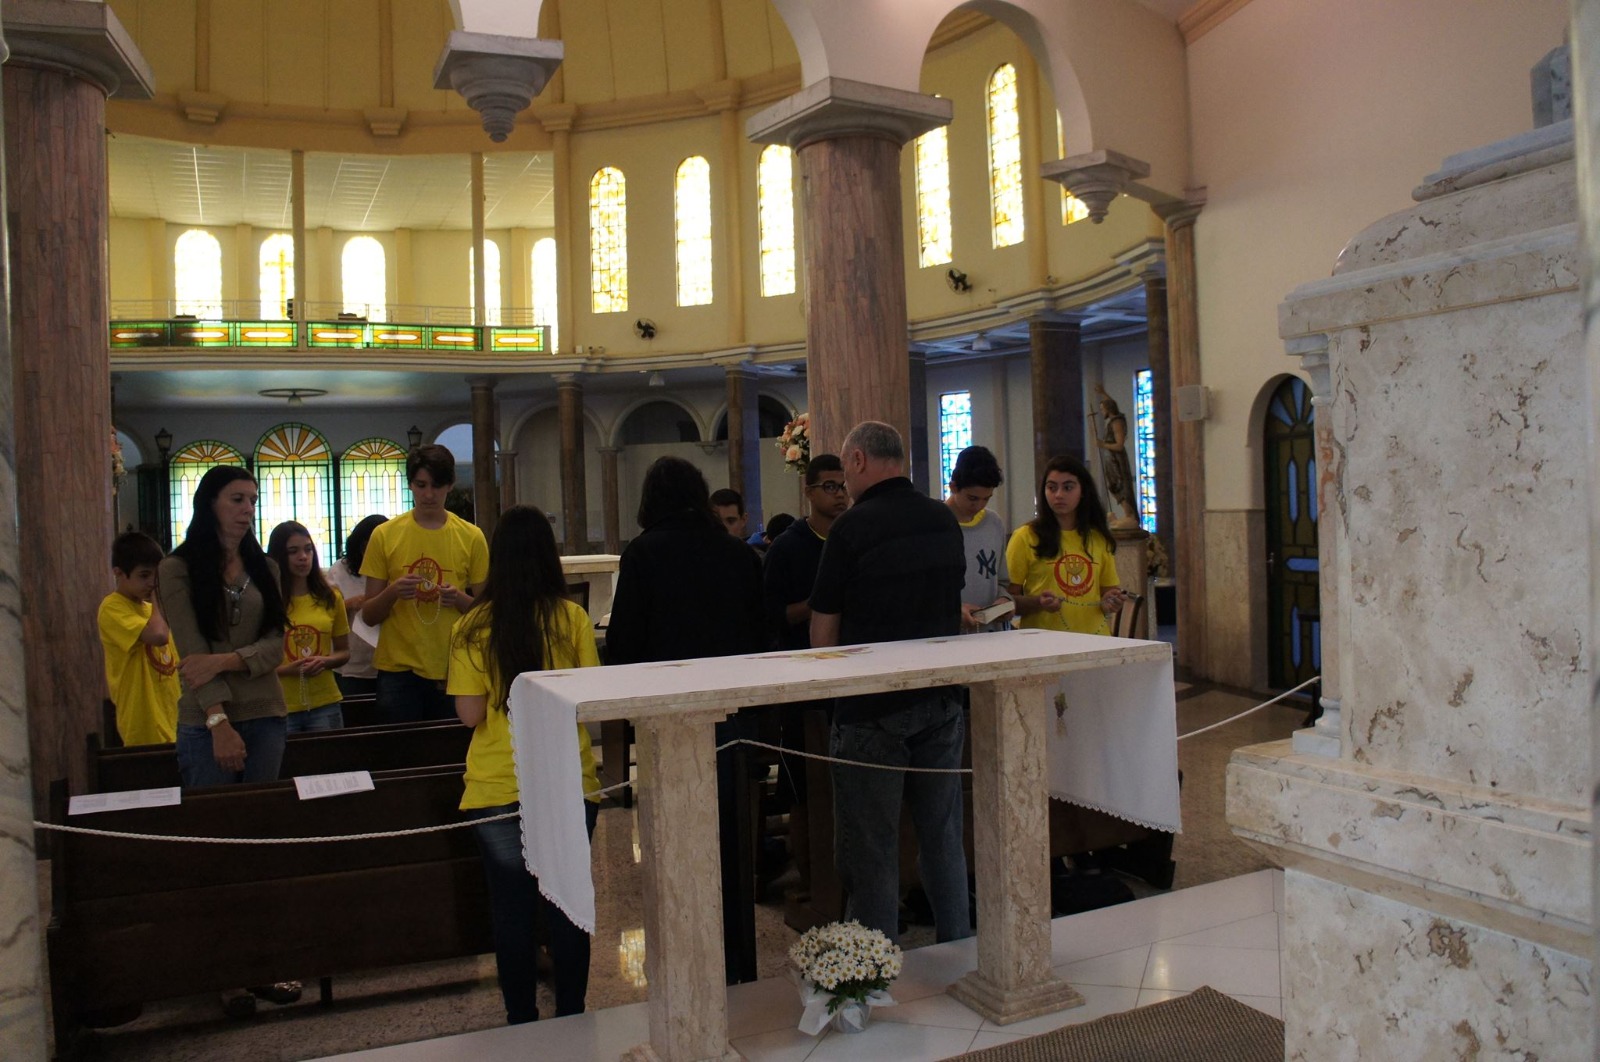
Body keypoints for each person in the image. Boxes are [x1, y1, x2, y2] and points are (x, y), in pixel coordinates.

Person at [809, 421, 971, 944]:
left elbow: (823, 635)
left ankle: (874, 969)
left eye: (844, 469)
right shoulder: (943, 519)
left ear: (858, 460)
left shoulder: (850, 529)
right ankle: (957, 949)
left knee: (872, 850)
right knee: (943, 838)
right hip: (942, 700)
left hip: (871, 709)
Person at [606, 456, 765, 983]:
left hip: (668, 720)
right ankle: (737, 964)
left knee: (675, 845)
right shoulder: (737, 554)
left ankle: (685, 966)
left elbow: (624, 646)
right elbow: (760, 638)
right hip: (731, 716)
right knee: (731, 842)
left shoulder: (643, 553)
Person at [448, 506, 602, 1024]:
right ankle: (572, 1014)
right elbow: (590, 705)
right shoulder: (570, 618)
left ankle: (520, 1019)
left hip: (497, 782)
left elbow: (470, 715)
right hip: (565, 780)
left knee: (511, 910)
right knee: (567, 904)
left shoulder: (471, 626)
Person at [156, 465, 300, 1018]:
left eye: (252, 500)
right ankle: (225, 974)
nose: (247, 509)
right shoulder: (177, 568)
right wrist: (218, 721)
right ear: (210, 503)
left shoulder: (265, 566)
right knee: (216, 846)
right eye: (237, 499)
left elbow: (276, 645)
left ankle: (261, 962)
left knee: (258, 843)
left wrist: (226, 660)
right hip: (206, 721)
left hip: (266, 716)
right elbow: (190, 651)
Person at [360, 445, 489, 722]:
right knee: (400, 746)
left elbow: (487, 613)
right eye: (421, 485)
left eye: (437, 485)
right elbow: (368, 615)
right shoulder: (384, 535)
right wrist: (393, 591)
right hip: (398, 670)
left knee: (449, 745)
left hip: (453, 666)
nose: (429, 494)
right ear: (410, 485)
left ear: (450, 485)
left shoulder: (471, 537)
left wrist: (459, 599)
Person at [1006, 454, 1125, 636]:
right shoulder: (1025, 536)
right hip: (1043, 640)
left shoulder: (1098, 538)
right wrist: (1039, 603)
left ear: (1082, 491)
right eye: (1052, 488)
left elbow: (1108, 594)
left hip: (1094, 639)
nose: (1059, 495)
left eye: (1068, 487)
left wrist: (1111, 602)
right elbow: (1007, 601)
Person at [267, 521, 351, 732]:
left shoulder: (331, 597)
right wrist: (288, 670)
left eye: (308, 549)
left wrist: (325, 661)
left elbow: (344, 652)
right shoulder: (267, 602)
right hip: (281, 704)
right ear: (279, 556)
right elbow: (257, 664)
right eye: (293, 551)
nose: (303, 557)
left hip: (325, 702)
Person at [98, 530, 180, 746]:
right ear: (118, 573)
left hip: (174, 721)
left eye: (156, 575)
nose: (152, 582)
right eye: (144, 576)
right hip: (144, 725)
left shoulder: (151, 611)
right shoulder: (112, 608)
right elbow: (158, 636)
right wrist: (158, 597)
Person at [762, 456, 846, 652]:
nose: (840, 494)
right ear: (809, 492)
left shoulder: (854, 539)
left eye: (844, 486)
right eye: (830, 487)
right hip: (800, 653)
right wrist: (821, 602)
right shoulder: (785, 547)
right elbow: (770, 615)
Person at [945, 446, 1014, 633]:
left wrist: (1004, 600)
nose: (979, 506)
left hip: (989, 633)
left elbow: (1001, 582)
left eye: (986, 499)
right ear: (953, 487)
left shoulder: (994, 523)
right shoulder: (935, 524)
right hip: (950, 635)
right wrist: (953, 609)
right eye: (973, 498)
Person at [327, 514, 386, 706]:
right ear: (361, 544)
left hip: (386, 661)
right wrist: (352, 603)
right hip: (352, 661)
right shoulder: (340, 570)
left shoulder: (392, 567)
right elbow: (325, 612)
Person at [1092, 388, 1139, 528]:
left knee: (1120, 486)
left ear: (1108, 409)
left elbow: (1119, 445)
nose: (1102, 412)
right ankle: (1128, 514)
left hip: (1116, 461)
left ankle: (1130, 515)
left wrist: (1102, 444)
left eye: (1103, 409)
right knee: (1113, 486)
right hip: (1111, 460)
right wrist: (1103, 393)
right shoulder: (1114, 420)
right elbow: (1113, 403)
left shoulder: (1116, 422)